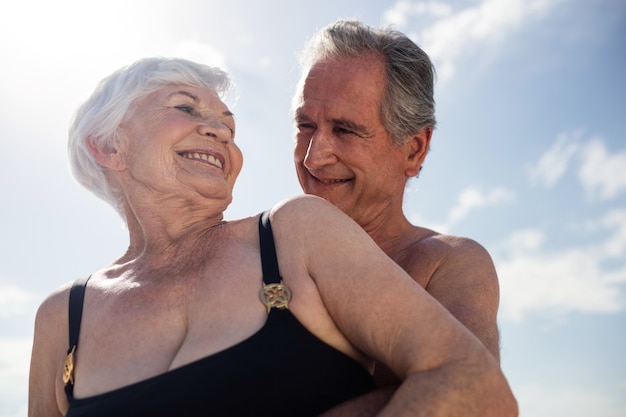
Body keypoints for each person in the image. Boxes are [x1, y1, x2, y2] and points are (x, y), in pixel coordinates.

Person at [28, 57, 517, 417]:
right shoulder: (60, 317)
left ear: (414, 150)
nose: (219, 132)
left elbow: (476, 386)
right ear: (108, 146)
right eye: (186, 108)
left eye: (228, 125)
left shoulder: (296, 231)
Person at [292, 20, 508, 414]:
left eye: (344, 130)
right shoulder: (260, 250)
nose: (312, 156)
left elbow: (473, 400)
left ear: (414, 150)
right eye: (305, 126)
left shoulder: (446, 263)